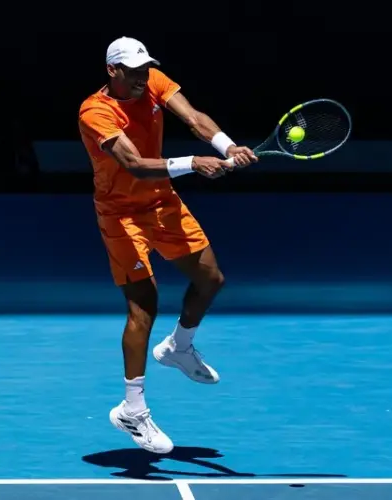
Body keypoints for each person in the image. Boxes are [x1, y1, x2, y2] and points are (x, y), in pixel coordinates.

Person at [78, 36, 258, 454]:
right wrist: (193, 164)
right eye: (134, 72)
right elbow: (134, 165)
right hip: (121, 214)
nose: (143, 78)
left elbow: (194, 118)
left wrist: (226, 146)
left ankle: (178, 346)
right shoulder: (95, 111)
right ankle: (132, 410)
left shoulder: (153, 80)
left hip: (163, 202)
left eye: (145, 69)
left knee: (210, 278)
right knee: (144, 304)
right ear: (112, 71)